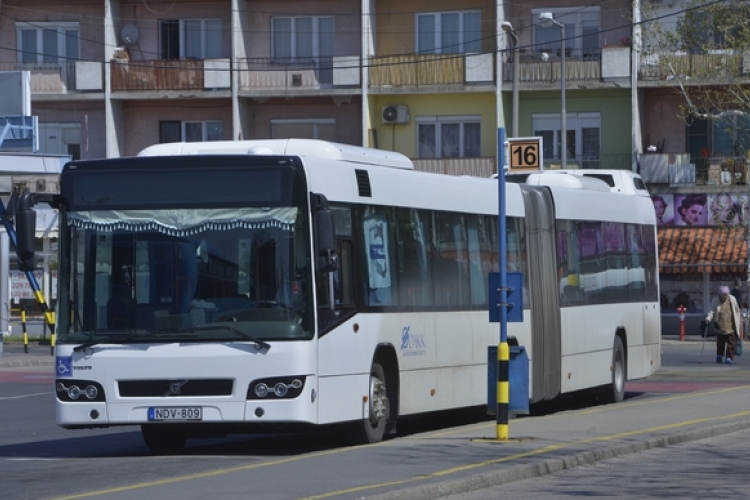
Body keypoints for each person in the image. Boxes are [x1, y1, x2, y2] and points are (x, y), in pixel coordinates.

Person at [706, 286, 741, 364]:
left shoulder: (732, 299)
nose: (725, 296)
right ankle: (719, 355)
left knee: (731, 343)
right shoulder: (715, 300)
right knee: (720, 342)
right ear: (720, 294)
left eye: (726, 295)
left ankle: (729, 358)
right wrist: (708, 319)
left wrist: (738, 321)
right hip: (720, 325)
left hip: (731, 325)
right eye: (723, 295)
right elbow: (711, 311)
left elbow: (737, 310)